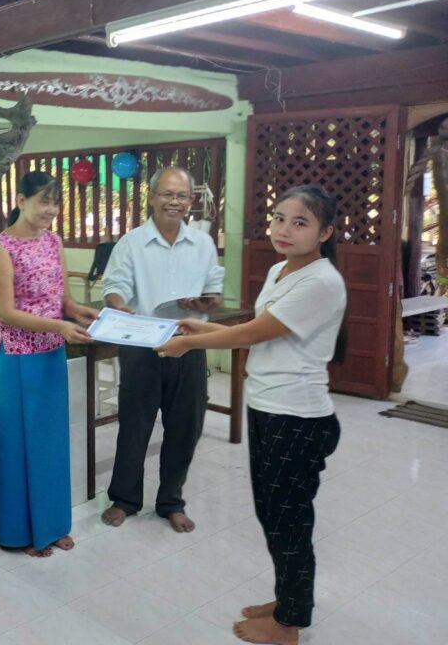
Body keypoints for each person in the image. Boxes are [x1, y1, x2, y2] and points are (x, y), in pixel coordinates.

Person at [156, 184, 347, 645]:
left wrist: (189, 343)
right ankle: (287, 601)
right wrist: (203, 327)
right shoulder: (282, 269)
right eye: (279, 218)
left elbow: (252, 335)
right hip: (268, 406)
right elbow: (259, 326)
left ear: (325, 232)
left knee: (289, 520)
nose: (284, 230)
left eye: (300, 223)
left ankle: (289, 624)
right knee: (271, 513)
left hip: (297, 418)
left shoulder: (322, 281)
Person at [100, 167, 224, 533]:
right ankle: (125, 499)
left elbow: (214, 291)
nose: (174, 201)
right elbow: (114, 286)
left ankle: (171, 501)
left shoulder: (202, 244)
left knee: (186, 426)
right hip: (142, 345)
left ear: (190, 201)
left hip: (188, 343)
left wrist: (204, 301)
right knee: (134, 425)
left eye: (181, 195)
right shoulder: (132, 243)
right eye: (167, 194)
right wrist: (119, 305)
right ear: (152, 197)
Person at [0, 170, 98, 557]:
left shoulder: (53, 240)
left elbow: (63, 299)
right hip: (17, 358)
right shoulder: (2, 248)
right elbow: (4, 313)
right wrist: (59, 326)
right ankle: (20, 533)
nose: (50, 210)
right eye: (43, 202)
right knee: (19, 445)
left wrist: (81, 312)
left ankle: (51, 526)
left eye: (55, 203)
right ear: (21, 201)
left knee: (50, 443)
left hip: (51, 352)